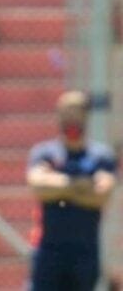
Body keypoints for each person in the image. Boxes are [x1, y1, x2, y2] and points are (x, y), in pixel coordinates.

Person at [26, 90, 118, 291]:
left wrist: (59, 187)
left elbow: (101, 195)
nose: (71, 118)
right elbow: (38, 185)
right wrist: (79, 185)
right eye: (66, 112)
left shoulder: (100, 156)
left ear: (85, 116)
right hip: (49, 251)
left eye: (76, 112)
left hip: (84, 252)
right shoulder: (45, 153)